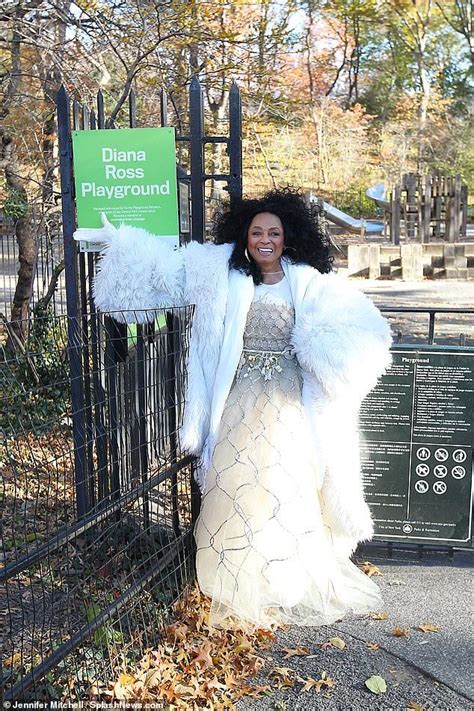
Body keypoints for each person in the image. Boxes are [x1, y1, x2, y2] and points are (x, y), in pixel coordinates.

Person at [73, 188, 392, 630]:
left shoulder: (310, 284)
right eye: (257, 231)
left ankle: (284, 578)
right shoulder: (221, 275)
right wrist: (118, 243)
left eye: (274, 233)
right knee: (237, 485)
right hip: (238, 399)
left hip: (287, 402)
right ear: (244, 236)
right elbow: (168, 273)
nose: (265, 239)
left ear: (287, 238)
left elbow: (361, 331)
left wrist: (325, 349)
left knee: (285, 484)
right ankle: (239, 576)